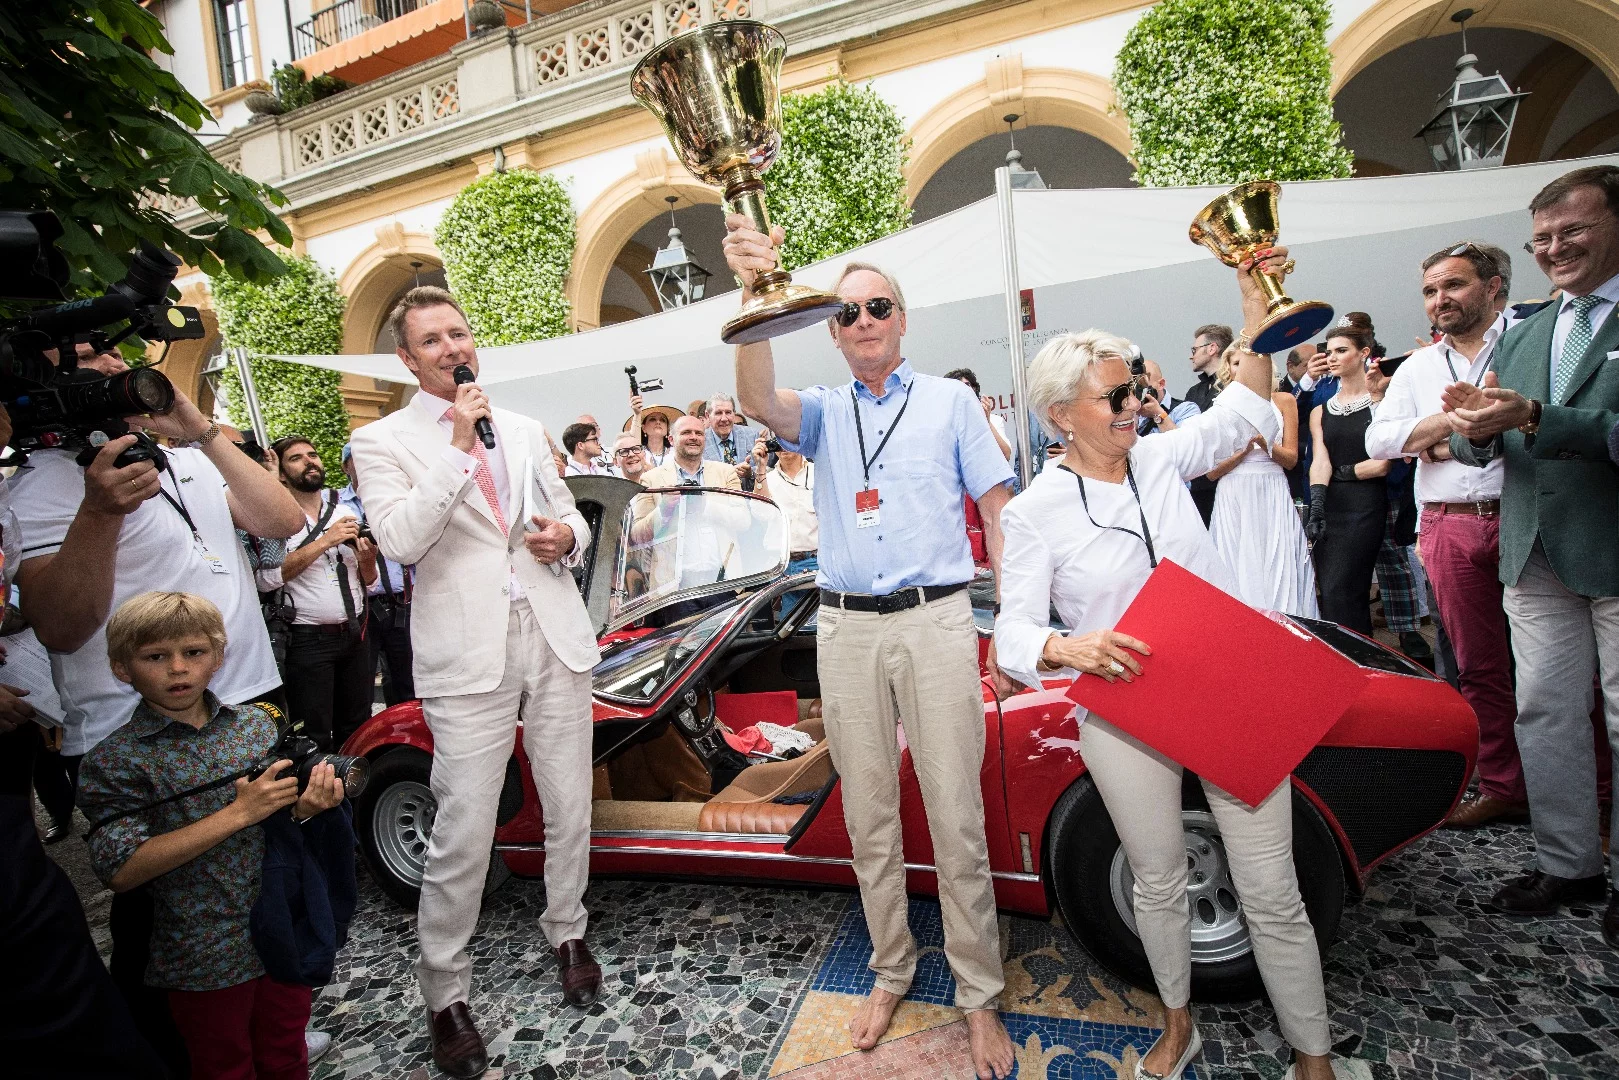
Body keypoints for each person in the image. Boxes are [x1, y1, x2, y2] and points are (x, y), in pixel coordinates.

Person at [994, 247, 1347, 1080]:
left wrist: (1250, 292)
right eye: (1113, 396)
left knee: (1270, 888)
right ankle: (1175, 1021)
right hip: (1121, 710)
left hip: (1225, 688)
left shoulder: (1160, 456)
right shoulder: (1037, 510)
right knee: (1156, 883)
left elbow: (1242, 401)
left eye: (1137, 389)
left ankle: (1313, 1051)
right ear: (1059, 415)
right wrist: (1059, 645)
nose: (1133, 405)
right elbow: (1010, 630)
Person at [723, 216, 1017, 1079]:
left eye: (876, 306)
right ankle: (892, 969)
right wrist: (752, 300)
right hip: (846, 625)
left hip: (936, 619)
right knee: (867, 814)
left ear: (901, 317)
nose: (862, 322)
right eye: (846, 313)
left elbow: (999, 511)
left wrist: (1013, 626)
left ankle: (979, 995)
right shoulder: (823, 411)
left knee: (957, 815)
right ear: (831, 328)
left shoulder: (951, 402)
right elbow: (754, 403)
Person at [10, 355, 303, 1076]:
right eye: (87, 361)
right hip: (127, 732)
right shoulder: (40, 489)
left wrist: (199, 429)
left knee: (255, 884)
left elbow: (282, 519)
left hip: (244, 705)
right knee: (161, 926)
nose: (118, 367)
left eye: (119, 353)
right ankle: (175, 1055)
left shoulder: (187, 456)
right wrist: (99, 510)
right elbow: (61, 626)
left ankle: (254, 1020)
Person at [350, 285, 604, 1077]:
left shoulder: (524, 428)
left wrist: (569, 534)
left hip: (552, 632)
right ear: (407, 358)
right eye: (432, 341)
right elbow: (398, 538)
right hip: (467, 652)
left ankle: (567, 929)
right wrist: (459, 448)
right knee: (462, 821)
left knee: (569, 799)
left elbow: (575, 513)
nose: (451, 349)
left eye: (458, 334)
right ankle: (445, 991)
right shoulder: (381, 439)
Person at [1440, 165, 1619, 944]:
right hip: (1533, 553)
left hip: (1610, 547)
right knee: (1544, 710)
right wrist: (1472, 429)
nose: (1555, 248)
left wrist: (1543, 416)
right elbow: (1474, 439)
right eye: (1542, 237)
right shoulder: (1523, 333)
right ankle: (1567, 864)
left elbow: (1576, 426)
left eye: (1572, 230)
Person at [77, 592, 346, 1080]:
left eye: (194, 653)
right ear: (122, 669)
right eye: (155, 657)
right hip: (201, 952)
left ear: (218, 658)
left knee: (286, 1052)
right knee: (222, 1065)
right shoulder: (114, 761)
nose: (178, 669)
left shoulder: (257, 727)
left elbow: (285, 825)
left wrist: (308, 810)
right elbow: (121, 869)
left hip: (281, 927)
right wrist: (238, 813)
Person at [1363, 241, 1526, 828]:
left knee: (1553, 664)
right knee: (1480, 666)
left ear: (1493, 286)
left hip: (1524, 515)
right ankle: (1505, 785)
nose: (1440, 300)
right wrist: (1461, 419)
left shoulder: (1529, 342)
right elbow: (1379, 442)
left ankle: (1593, 797)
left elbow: (1538, 422)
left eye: (1453, 286)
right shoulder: (1418, 367)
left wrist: (1430, 441)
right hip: (1449, 525)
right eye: (1430, 291)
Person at [258, 437, 378, 751]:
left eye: (313, 455)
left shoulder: (342, 511)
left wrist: (366, 558)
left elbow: (367, 580)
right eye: (296, 458)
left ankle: (354, 791)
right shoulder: (275, 515)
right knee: (314, 731)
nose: (310, 461)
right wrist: (325, 542)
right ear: (281, 473)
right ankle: (319, 798)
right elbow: (268, 578)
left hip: (355, 636)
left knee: (359, 725)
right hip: (308, 641)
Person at [1206, 345, 1317, 617]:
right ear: (1227, 369)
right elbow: (1210, 472)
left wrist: (1265, 443)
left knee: (1278, 560)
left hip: (1272, 488)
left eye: (1247, 362)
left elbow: (1291, 459)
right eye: (1234, 363)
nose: (1240, 368)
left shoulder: (1284, 401)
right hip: (1234, 490)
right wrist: (1243, 450)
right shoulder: (1220, 408)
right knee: (1237, 562)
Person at [1304, 323, 1389, 636]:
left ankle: (1362, 664)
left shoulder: (1382, 401)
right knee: (1330, 590)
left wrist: (1343, 473)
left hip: (1366, 507)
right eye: (1329, 352)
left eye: (1342, 350)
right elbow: (1320, 462)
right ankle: (1342, 666)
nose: (1332, 358)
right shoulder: (1320, 410)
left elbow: (1381, 465)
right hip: (1331, 508)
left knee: (1347, 589)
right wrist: (1316, 507)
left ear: (1364, 353)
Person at [1364, 356, 1433, 668]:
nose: (1332, 359)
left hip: (1389, 486)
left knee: (1395, 560)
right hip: (1347, 492)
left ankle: (1407, 629)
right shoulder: (1325, 395)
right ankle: (1357, 630)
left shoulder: (1388, 390)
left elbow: (1395, 436)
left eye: (1341, 350)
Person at [339, 444, 415, 708]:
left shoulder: (401, 498)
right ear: (345, 467)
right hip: (362, 608)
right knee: (361, 684)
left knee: (409, 682)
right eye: (357, 459)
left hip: (403, 602)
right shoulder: (335, 504)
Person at [1184, 324, 1232, 524]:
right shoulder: (1194, 392)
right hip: (1197, 482)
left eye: (1194, 350)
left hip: (1226, 480)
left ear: (1212, 349)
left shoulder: (1232, 388)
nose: (1191, 356)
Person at [752, 438, 818, 579]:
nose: (784, 447)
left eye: (788, 440)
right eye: (778, 441)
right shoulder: (765, 478)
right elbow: (760, 514)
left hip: (815, 561)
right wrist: (760, 467)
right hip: (779, 564)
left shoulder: (818, 472)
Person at [643, 415, 742, 489]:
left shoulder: (726, 473)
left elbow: (740, 513)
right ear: (671, 440)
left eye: (699, 433)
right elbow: (642, 518)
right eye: (686, 432)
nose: (694, 437)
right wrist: (664, 508)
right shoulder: (650, 479)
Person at [945, 367, 1015, 459]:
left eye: (966, 385)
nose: (963, 391)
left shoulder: (994, 420)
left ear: (974, 389)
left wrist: (987, 422)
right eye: (958, 387)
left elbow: (1006, 455)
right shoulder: (946, 424)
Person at [703, 393, 761, 490]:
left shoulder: (752, 435)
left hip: (750, 499)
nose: (724, 418)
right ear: (707, 415)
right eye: (718, 413)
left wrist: (750, 473)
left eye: (728, 412)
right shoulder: (700, 441)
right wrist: (729, 473)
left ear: (734, 413)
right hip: (715, 500)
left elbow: (767, 471)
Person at [1137, 358, 1203, 437]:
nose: (1140, 391)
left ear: (1161, 384)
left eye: (1143, 384)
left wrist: (1158, 414)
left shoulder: (1186, 409)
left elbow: (1185, 445)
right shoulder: (1133, 411)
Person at [626, 399, 679, 468]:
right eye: (652, 419)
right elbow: (632, 442)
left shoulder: (676, 453)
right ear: (643, 428)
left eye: (662, 420)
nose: (658, 422)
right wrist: (637, 414)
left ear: (667, 429)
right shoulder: (638, 453)